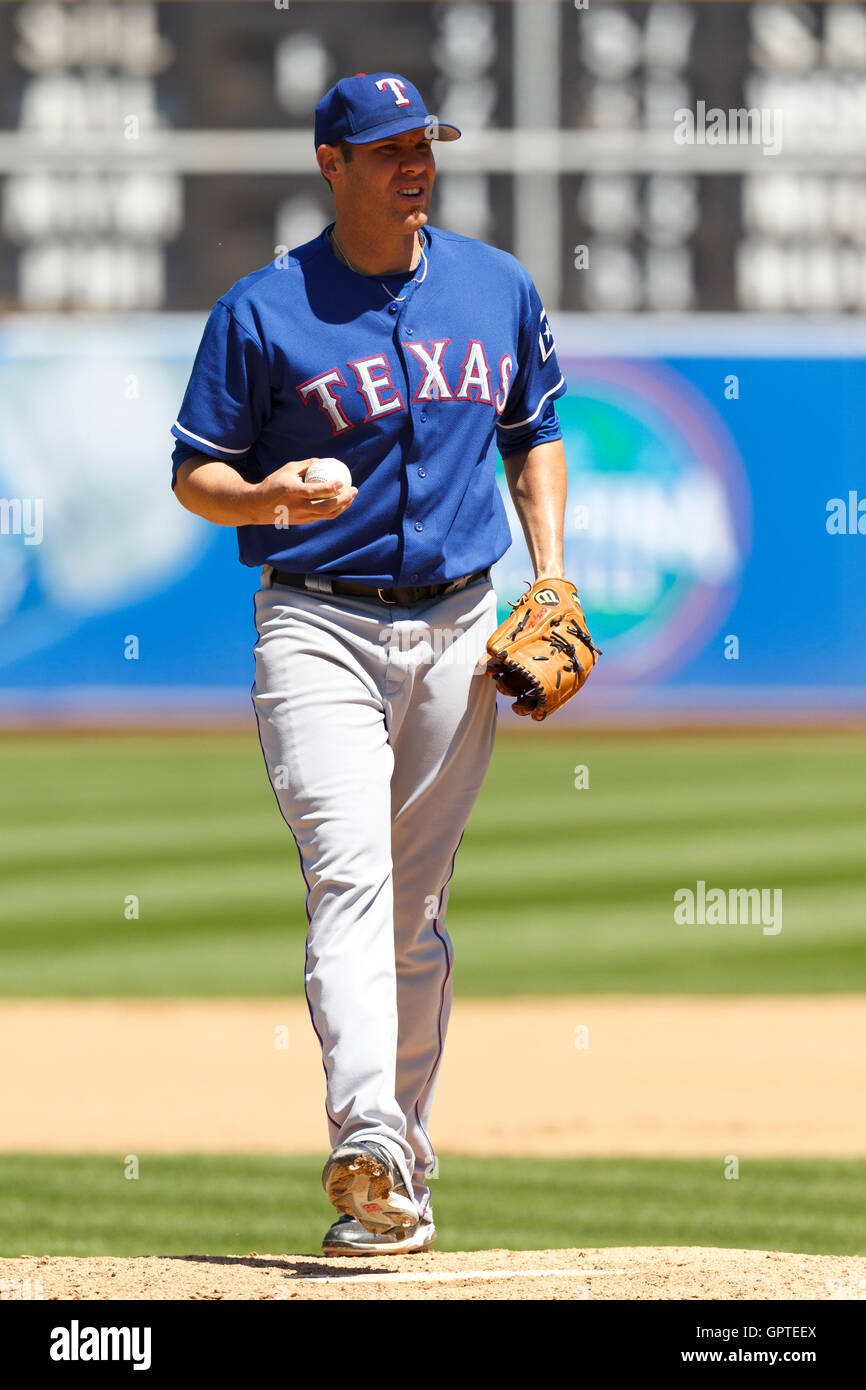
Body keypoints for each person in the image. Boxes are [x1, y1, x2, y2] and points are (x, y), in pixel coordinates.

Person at [170, 71, 569, 1256]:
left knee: (414, 911)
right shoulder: (263, 308)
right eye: (387, 149)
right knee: (349, 878)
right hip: (315, 622)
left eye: (423, 146)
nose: (413, 166)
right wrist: (260, 495)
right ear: (329, 162)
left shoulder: (494, 287)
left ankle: (401, 1172)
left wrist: (550, 575)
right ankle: (367, 1135)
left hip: (459, 622)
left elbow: (532, 432)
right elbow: (195, 472)